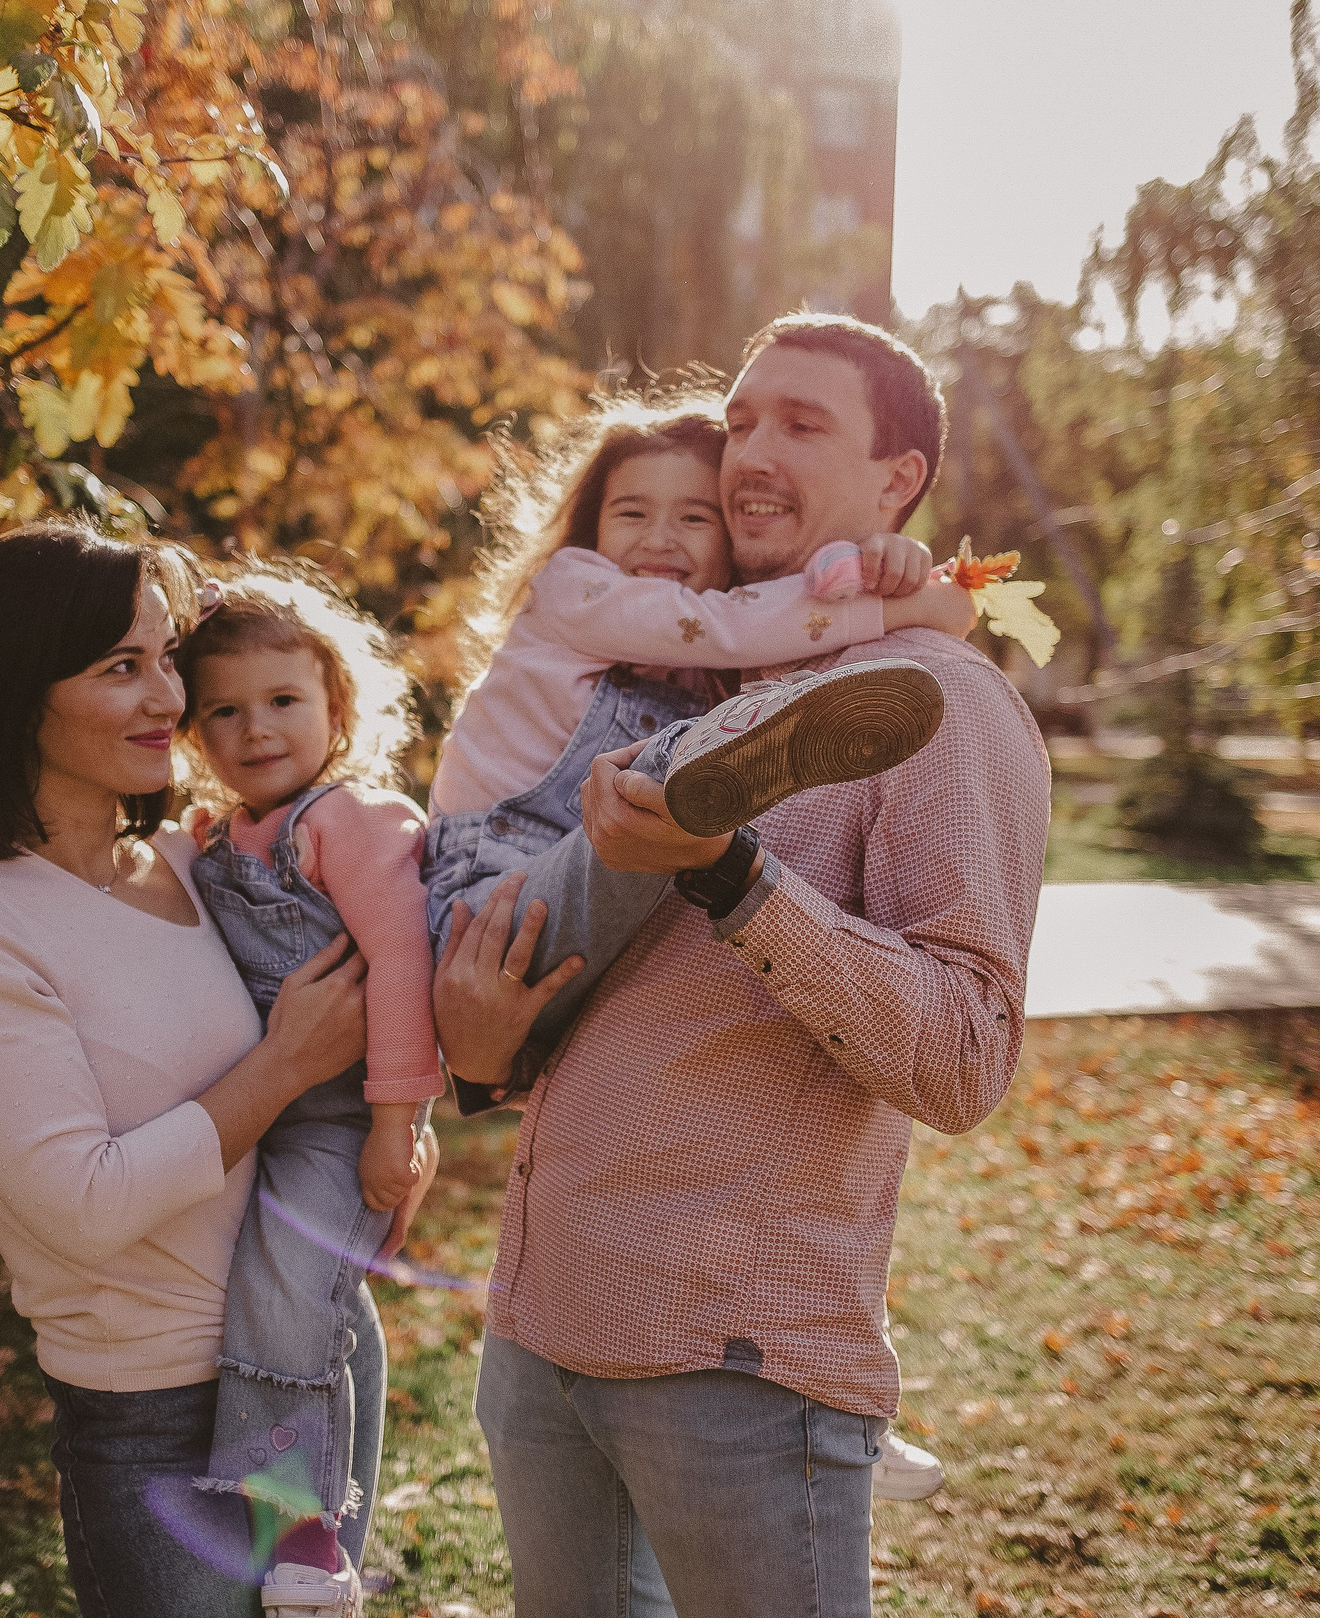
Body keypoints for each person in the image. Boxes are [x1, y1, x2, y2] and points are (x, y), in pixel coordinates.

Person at [433, 314, 1052, 1618]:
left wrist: (734, 878)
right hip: (541, 1328)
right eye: (743, 421)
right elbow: (516, 1032)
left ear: (900, 480)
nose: (750, 454)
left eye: (803, 424)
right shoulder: (667, 681)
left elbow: (963, 1058)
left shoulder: (941, 704)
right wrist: (479, 1047)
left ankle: (696, 818)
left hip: (736, 1357)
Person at [0, 522, 425, 1618]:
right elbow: (83, 1207)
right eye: (119, 669)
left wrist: (393, 1126)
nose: (169, 699)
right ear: (14, 694)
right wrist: (280, 1070)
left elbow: (391, 967)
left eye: (166, 657)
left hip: (312, 1362)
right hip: (155, 1413)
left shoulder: (197, 859)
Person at [421, 394, 975, 1094]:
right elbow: (727, 624)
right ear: (592, 526)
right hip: (489, 906)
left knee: (649, 810)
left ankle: (719, 783)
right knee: (652, 782)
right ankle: (729, 760)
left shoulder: (708, 648)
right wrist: (911, 602)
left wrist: (873, 561)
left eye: (693, 517)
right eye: (631, 513)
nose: (659, 538)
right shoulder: (573, 589)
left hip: (596, 932)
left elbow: (779, 600)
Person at [175, 566, 447, 1614]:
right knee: (257, 1301)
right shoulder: (212, 838)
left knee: (289, 1307)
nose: (255, 730)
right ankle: (265, 1508)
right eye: (224, 712)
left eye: (283, 701)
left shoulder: (351, 822)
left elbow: (403, 967)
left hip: (338, 1120)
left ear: (338, 702)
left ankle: (307, 1533)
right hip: (253, 1109)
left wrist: (396, 1125)